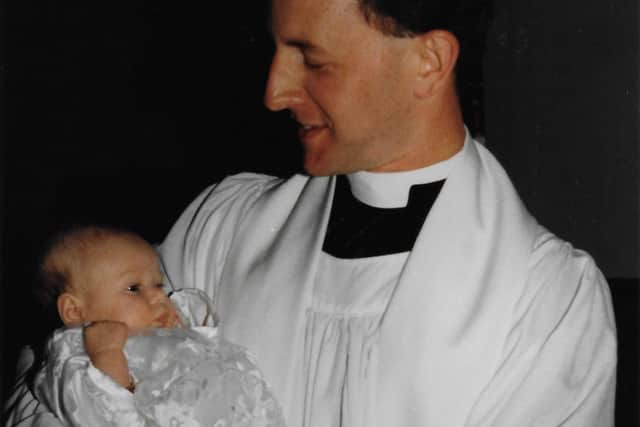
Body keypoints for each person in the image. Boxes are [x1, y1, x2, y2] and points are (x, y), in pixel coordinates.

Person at [4, 0, 617, 425]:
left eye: (313, 60)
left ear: (428, 62)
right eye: (275, 49)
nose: (274, 92)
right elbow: (46, 382)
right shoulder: (224, 225)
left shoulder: (546, 303)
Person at [16, 225, 284, 427]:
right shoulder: (75, 355)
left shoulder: (161, 328)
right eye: (134, 288)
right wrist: (107, 356)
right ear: (74, 311)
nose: (158, 296)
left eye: (158, 284)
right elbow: (98, 414)